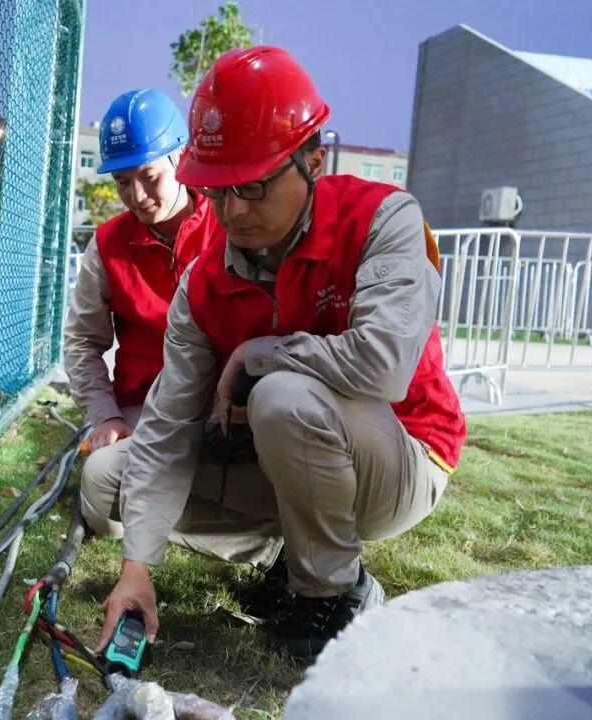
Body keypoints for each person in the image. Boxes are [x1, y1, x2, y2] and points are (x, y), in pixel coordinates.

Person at [89, 47, 467, 661]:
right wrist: (135, 569)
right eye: (216, 190)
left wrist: (259, 353)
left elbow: (384, 366)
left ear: (313, 160)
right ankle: (287, 557)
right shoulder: (205, 280)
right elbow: (163, 430)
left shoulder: (384, 219)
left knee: (281, 395)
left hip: (401, 459)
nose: (233, 211)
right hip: (289, 461)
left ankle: (332, 593)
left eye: (254, 185)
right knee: (108, 479)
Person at [64, 89, 241, 500]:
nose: (137, 197)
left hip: (224, 407)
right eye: (123, 183)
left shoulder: (231, 226)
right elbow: (81, 342)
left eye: (149, 176)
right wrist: (105, 417)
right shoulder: (107, 245)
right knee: (105, 503)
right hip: (144, 408)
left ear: (181, 158)